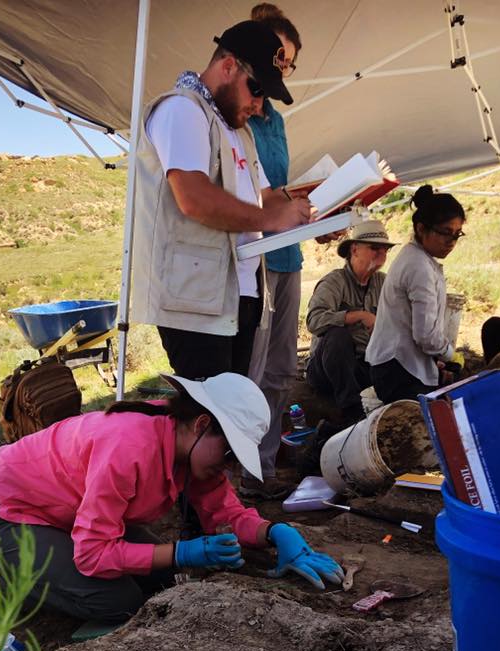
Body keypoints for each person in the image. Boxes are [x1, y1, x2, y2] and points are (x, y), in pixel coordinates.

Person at [0, 372, 345, 624]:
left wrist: (275, 533)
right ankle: (9, 575)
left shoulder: (188, 449)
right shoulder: (128, 447)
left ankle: (48, 564)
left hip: (63, 516)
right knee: (118, 601)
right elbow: (93, 554)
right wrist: (182, 552)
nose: (228, 469)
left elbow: (223, 511)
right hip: (2, 514)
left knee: (160, 577)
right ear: (202, 424)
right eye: (229, 454)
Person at [131, 20, 312, 379]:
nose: (259, 103)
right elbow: (194, 198)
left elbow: (265, 200)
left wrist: (319, 208)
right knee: (209, 421)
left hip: (236, 294)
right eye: (256, 88)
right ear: (228, 66)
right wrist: (274, 219)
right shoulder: (183, 110)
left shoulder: (237, 131)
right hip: (196, 301)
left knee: (231, 413)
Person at [238, 4, 342, 501]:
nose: (282, 70)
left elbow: (278, 188)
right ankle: (235, 467)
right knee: (250, 369)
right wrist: (289, 204)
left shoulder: (275, 119)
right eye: (278, 59)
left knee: (281, 370)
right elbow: (242, 193)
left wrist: (316, 215)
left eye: (289, 64)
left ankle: (263, 465)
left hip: (286, 256)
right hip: (250, 259)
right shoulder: (230, 111)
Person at [366, 185, 466, 403]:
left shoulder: (418, 259)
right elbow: (426, 336)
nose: (451, 242)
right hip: (397, 371)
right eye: (445, 233)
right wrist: (450, 354)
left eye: (457, 234)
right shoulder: (418, 266)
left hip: (397, 365)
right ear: (421, 229)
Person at [305, 220, 396, 425]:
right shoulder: (334, 281)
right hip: (326, 370)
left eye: (385, 249)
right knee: (337, 335)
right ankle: (350, 409)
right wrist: (358, 316)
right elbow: (314, 320)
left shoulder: (385, 283)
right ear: (355, 250)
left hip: (363, 365)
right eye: (374, 248)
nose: (381, 254)